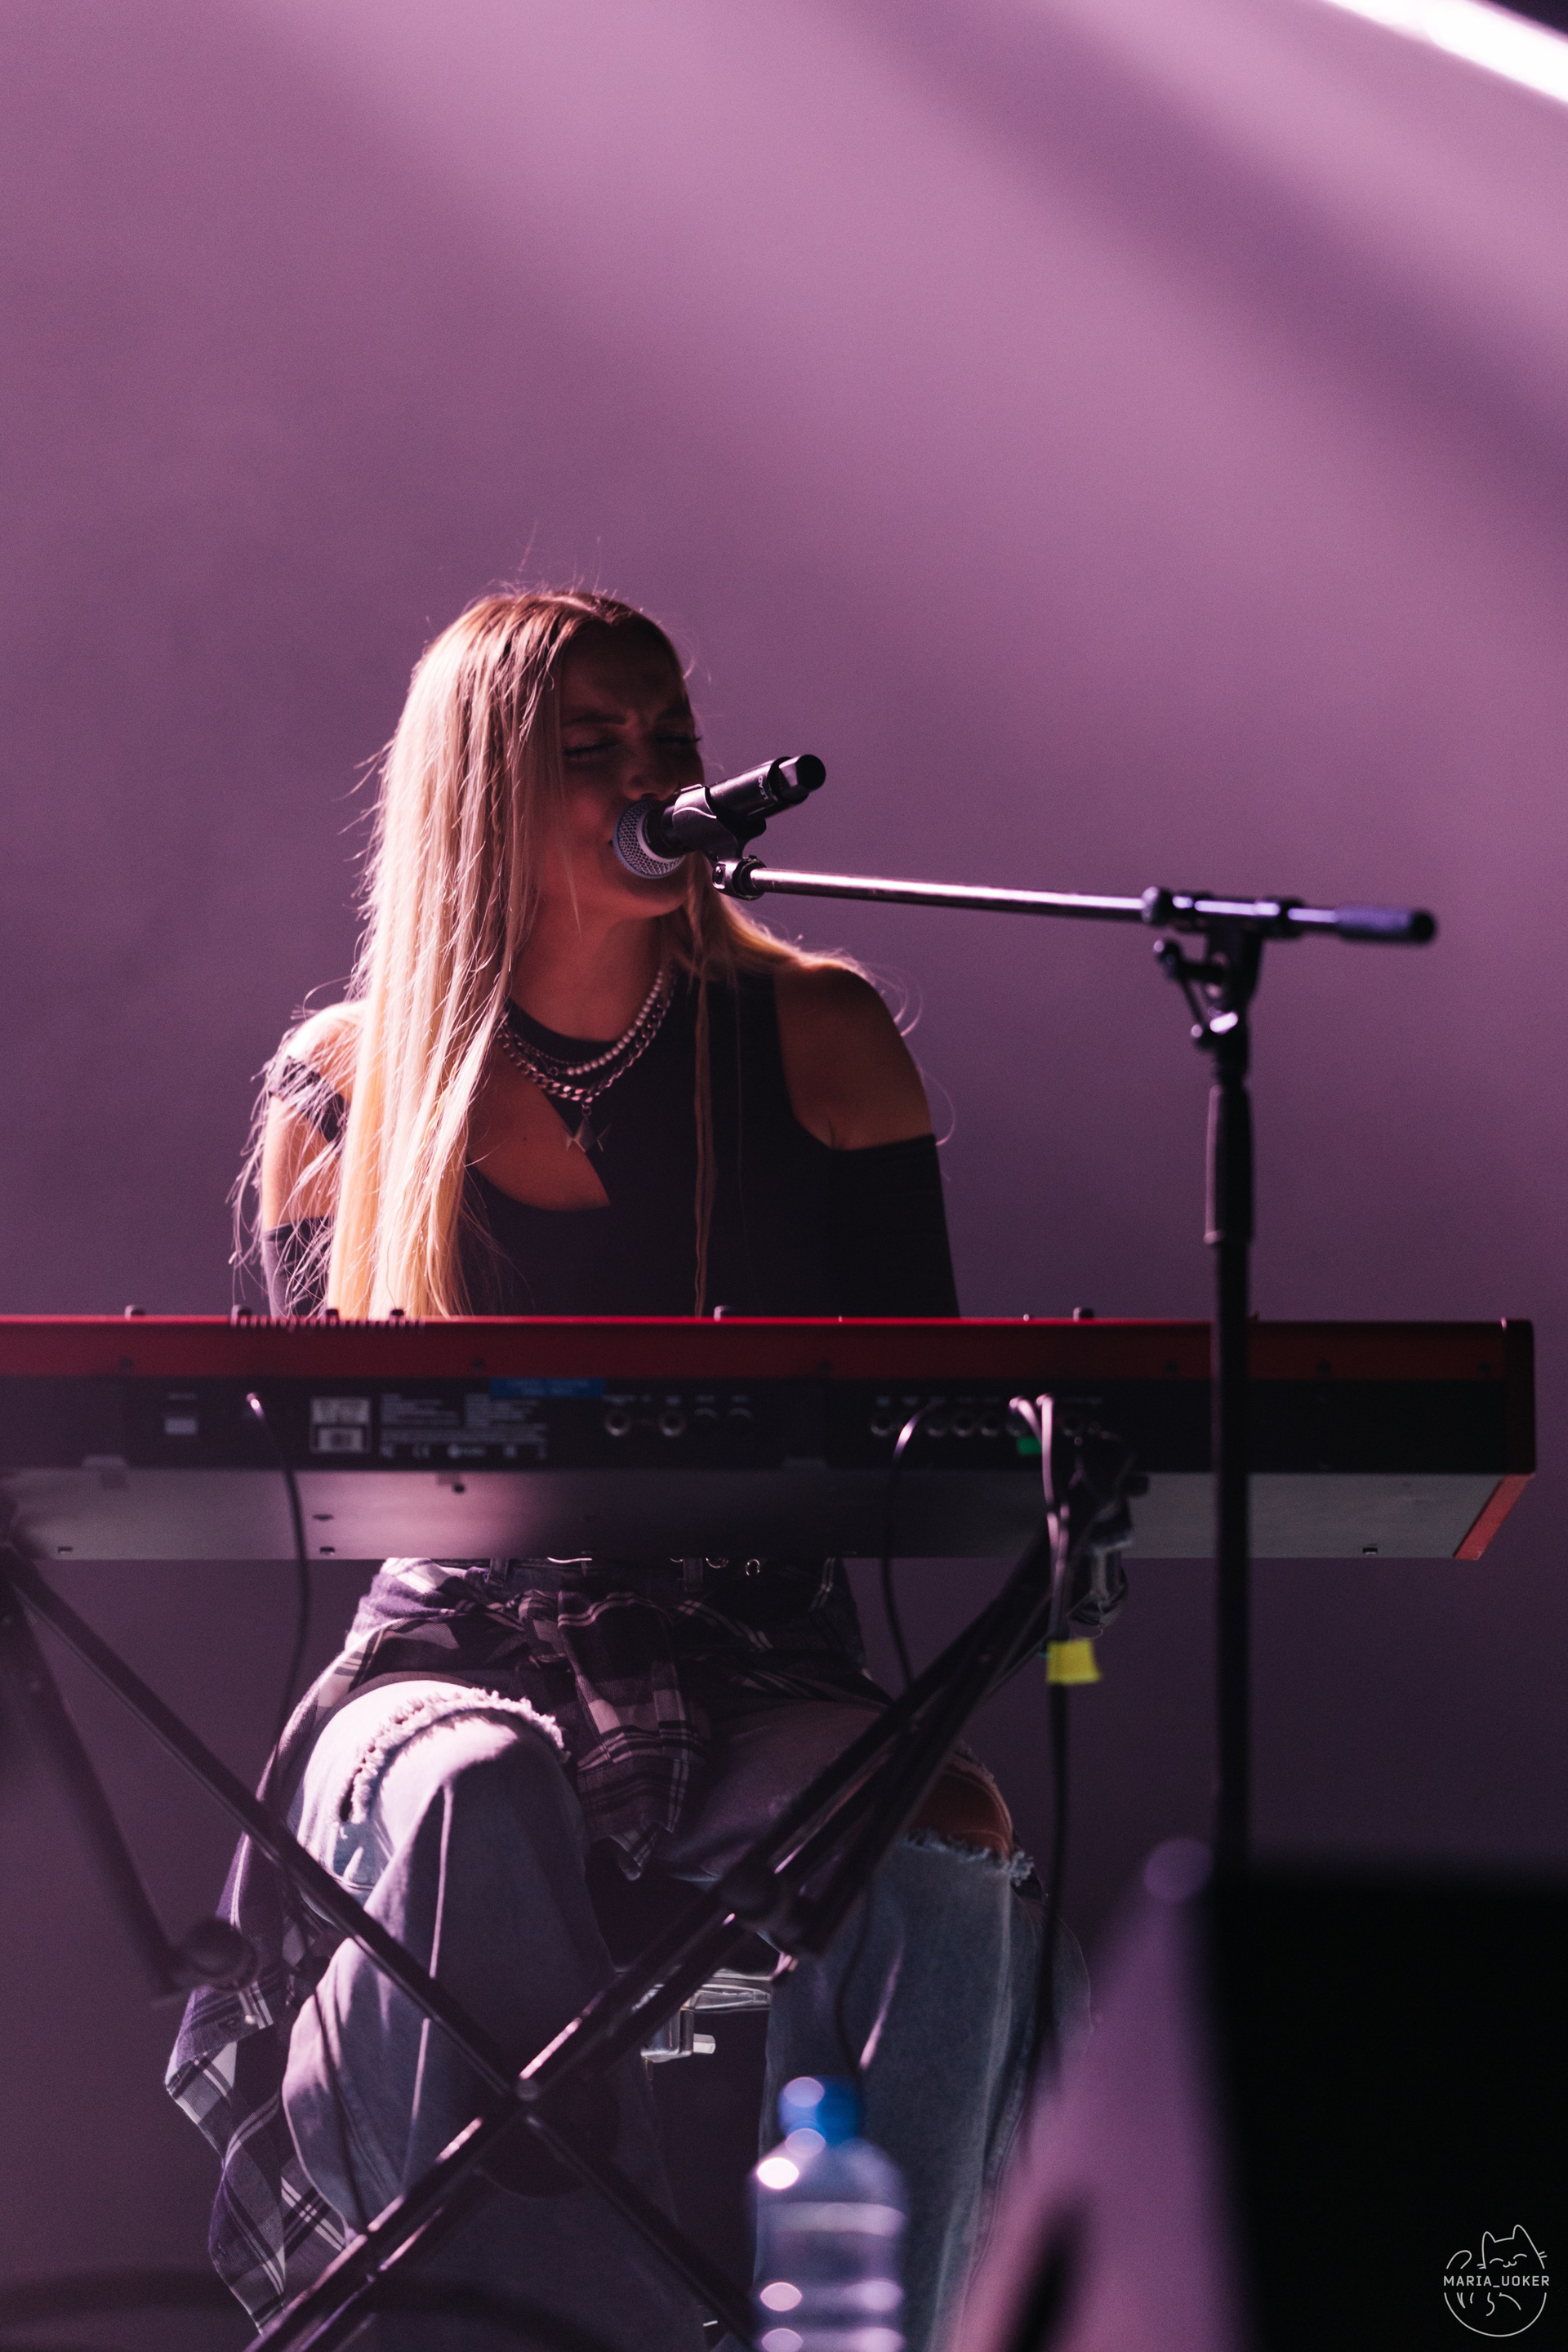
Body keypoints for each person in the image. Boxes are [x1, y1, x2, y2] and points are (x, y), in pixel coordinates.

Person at [167, 590, 1076, 2352]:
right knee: (472, 1787)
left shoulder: (821, 1036)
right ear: (480, 797)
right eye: (595, 750)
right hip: (446, 1646)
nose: (656, 779)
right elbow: (312, 1461)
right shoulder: (348, 1086)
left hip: (751, 1653)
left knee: (947, 1835)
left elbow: (929, 1415)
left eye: (673, 740)